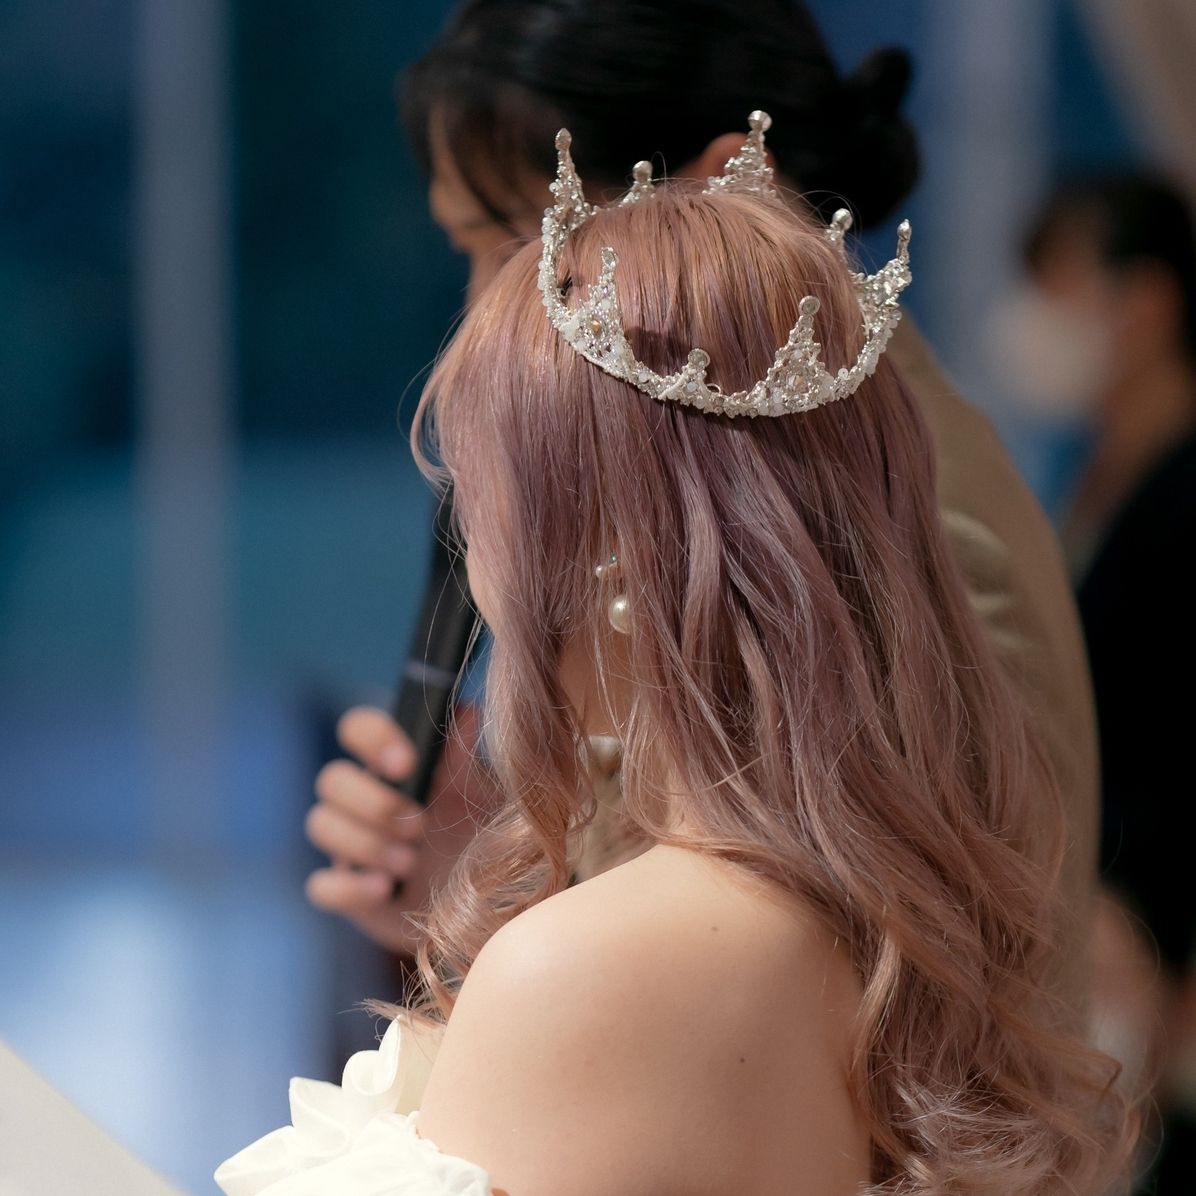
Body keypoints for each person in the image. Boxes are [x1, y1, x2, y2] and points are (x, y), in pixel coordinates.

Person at [219, 126, 1131, 1195]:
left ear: (605, 551)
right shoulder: (910, 920)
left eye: (484, 505)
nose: (476, 569)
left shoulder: (585, 972)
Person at [304, 0, 1099, 1021]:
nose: (477, 309)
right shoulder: (744, 477)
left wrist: (519, 940)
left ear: (732, 181)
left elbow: (922, 1028)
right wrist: (490, 871)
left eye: (511, 241)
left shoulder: (905, 523)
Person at [1017, 175, 1196, 1192]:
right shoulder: (1098, 471)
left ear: (1148, 303)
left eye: (1061, 287)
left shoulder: (1184, 488)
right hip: (1104, 923)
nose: (1038, 321)